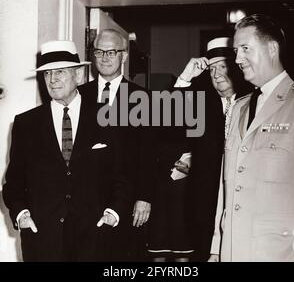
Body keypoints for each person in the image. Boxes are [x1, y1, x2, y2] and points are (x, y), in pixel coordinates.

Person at [2, 40, 132, 261]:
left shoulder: (109, 117)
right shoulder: (26, 124)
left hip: (96, 238)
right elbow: (13, 182)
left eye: (60, 72)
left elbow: (123, 174)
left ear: (79, 75)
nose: (52, 80)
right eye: (47, 74)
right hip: (42, 239)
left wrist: (113, 212)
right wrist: (21, 215)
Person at [148, 37, 252, 262]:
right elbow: (165, 120)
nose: (216, 75)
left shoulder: (254, 102)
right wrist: (185, 78)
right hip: (207, 207)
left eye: (222, 66)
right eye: (212, 69)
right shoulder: (202, 104)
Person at [213, 14, 294, 262]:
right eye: (236, 51)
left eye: (245, 49)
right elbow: (226, 186)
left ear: (272, 48)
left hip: (280, 254)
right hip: (233, 250)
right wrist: (216, 249)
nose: (238, 59)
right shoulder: (239, 107)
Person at [78, 29, 155, 261]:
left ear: (124, 56)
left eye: (111, 52)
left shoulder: (143, 98)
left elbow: (149, 153)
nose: (104, 57)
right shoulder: (78, 95)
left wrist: (145, 197)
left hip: (128, 200)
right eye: (99, 51)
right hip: (86, 197)